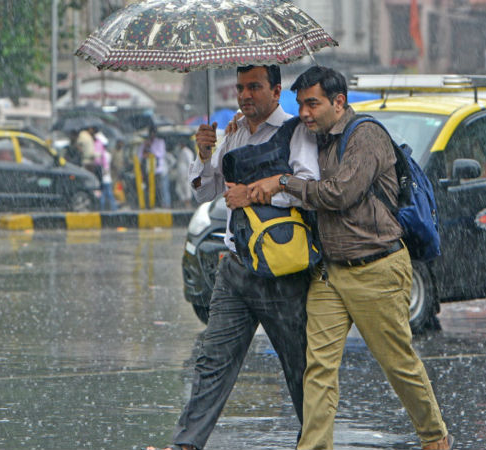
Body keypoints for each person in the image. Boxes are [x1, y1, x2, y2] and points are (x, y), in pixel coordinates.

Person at [248, 66, 452, 450]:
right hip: (330, 274)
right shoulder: (315, 140)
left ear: (339, 103)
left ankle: (434, 437)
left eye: (313, 104)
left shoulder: (366, 136)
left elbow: (340, 193)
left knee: (398, 364)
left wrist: (285, 183)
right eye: (300, 105)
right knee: (319, 368)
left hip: (376, 267)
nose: (304, 114)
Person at [145, 64, 319, 450]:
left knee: (301, 368)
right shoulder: (233, 133)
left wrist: (256, 193)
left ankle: (315, 441)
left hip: (283, 271)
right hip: (237, 268)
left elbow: (308, 188)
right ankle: (185, 444)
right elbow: (206, 193)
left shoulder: (296, 132)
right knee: (213, 361)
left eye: (254, 87)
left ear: (276, 91)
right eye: (240, 87)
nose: (245, 95)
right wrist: (204, 154)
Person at [138, 126, 172, 208]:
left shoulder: (160, 142)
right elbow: (139, 155)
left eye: (153, 133)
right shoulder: (145, 143)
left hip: (160, 169)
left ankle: (166, 205)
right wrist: (145, 148)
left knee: (163, 188)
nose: (152, 135)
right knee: (152, 189)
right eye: (150, 134)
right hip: (149, 170)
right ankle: (154, 204)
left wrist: (151, 149)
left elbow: (160, 154)